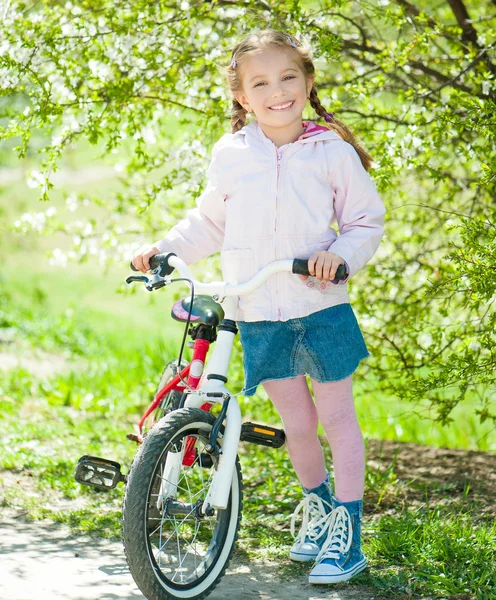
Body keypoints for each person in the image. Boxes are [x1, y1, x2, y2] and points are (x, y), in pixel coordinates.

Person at [132, 29, 386, 585]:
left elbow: (366, 222)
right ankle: (317, 508)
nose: (278, 91)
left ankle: (349, 527)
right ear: (243, 96)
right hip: (257, 307)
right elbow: (210, 223)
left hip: (319, 304)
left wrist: (337, 255)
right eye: (262, 83)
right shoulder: (233, 154)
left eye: (289, 77)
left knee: (338, 417)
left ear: (308, 81)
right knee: (296, 422)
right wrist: (165, 250)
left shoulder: (331, 152)